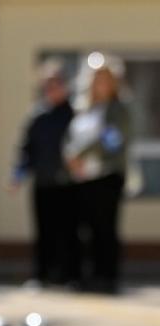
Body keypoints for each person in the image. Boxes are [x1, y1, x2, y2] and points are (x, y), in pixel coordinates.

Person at [64, 59, 130, 294]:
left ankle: (107, 276)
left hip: (107, 175)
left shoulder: (119, 109)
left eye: (106, 79)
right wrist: (70, 157)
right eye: (97, 79)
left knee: (105, 228)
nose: (101, 84)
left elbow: (109, 139)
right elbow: (71, 138)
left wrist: (79, 154)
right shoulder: (83, 108)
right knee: (84, 228)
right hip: (83, 177)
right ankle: (86, 276)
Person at [10, 62, 78, 287]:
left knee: (69, 231)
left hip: (69, 185)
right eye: (48, 84)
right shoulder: (38, 117)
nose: (52, 88)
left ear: (65, 85)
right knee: (44, 231)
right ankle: (43, 276)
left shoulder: (76, 114)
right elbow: (26, 149)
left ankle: (70, 276)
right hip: (43, 182)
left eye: (57, 83)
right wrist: (18, 174)